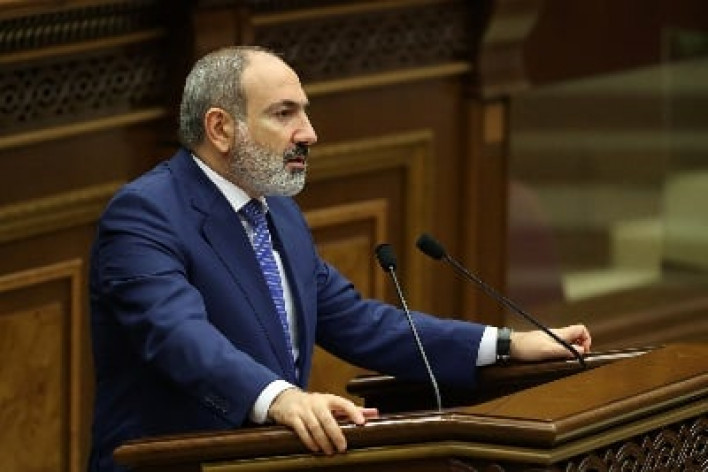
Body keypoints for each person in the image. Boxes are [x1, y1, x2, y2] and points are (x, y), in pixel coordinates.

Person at [87, 45, 591, 471]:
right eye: (284, 114)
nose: (309, 133)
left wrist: (505, 345)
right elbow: (178, 336)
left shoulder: (278, 213)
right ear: (220, 128)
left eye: (304, 112)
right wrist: (280, 398)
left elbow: (357, 322)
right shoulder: (146, 215)